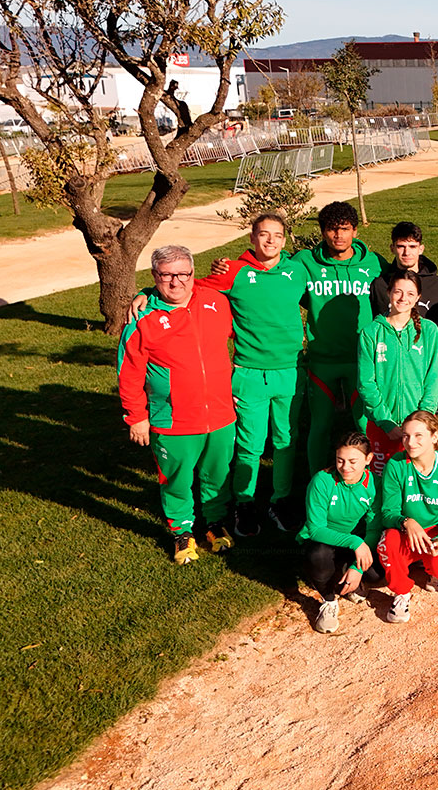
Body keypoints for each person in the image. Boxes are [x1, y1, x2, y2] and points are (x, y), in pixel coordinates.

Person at [118, 245, 237, 563]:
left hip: (221, 414)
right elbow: (128, 372)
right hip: (173, 420)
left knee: (217, 474)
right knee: (177, 480)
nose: (176, 281)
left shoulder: (216, 301)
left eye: (183, 273)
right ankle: (181, 531)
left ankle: (214, 523)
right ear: (154, 276)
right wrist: (136, 417)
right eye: (167, 275)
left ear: (193, 274)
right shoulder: (141, 317)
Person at [193, 212, 309, 536]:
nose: (270, 241)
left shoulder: (297, 270)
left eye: (277, 235)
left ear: (284, 240)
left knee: (286, 441)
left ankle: (280, 500)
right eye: (264, 234)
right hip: (250, 373)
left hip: (290, 371)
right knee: (251, 444)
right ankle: (244, 503)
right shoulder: (233, 271)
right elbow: (189, 288)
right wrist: (148, 291)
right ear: (252, 238)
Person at [294, 201, 385, 482]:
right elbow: (271, 270)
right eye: (332, 229)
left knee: (365, 424)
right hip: (322, 360)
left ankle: (372, 482)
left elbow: (400, 282)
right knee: (320, 425)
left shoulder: (374, 263)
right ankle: (316, 484)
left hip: (362, 360)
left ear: (355, 231)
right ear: (323, 232)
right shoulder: (305, 262)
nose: (338, 235)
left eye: (344, 229)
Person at [376, 411, 438, 624]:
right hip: (405, 532)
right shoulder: (396, 464)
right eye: (406, 436)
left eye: (418, 436)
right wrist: (406, 522)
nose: (410, 442)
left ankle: (432, 568)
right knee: (387, 541)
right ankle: (401, 592)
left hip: (433, 531)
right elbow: (387, 513)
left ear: (434, 436)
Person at [358, 270, 438, 476]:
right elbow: (366, 383)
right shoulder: (371, 332)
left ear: (418, 297)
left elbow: (436, 377)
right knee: (383, 480)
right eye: (398, 292)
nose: (403, 298)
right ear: (388, 292)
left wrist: (422, 418)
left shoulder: (429, 330)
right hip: (382, 426)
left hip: (420, 427)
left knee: (416, 479)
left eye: (410, 293)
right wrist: (385, 422)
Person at [299, 432, 384, 634]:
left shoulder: (375, 484)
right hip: (323, 541)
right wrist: (355, 542)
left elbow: (373, 529)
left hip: (353, 545)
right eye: (340, 460)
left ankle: (345, 579)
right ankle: (328, 600)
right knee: (318, 556)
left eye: (353, 461)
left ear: (368, 459)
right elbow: (316, 529)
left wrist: (358, 568)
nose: (345, 467)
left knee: (378, 574)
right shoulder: (322, 481)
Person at [369, 221, 438, 345]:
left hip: (431, 353)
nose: (406, 252)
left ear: (421, 249)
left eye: (412, 246)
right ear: (392, 248)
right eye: (401, 246)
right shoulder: (380, 285)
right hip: (392, 353)